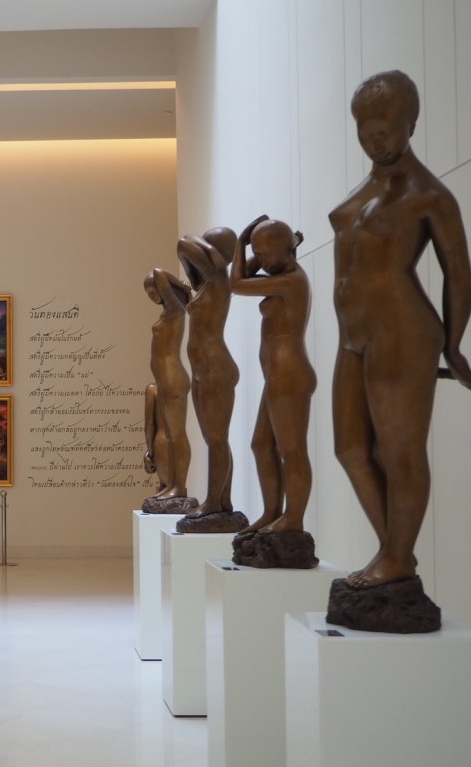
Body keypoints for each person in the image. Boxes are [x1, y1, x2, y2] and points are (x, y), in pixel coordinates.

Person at [330, 70, 471, 589]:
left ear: (411, 123)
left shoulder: (429, 194)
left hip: (402, 330)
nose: (376, 142)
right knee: (350, 449)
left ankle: (395, 556)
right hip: (353, 333)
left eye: (385, 131)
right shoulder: (366, 187)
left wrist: (454, 344)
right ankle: (395, 554)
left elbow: (459, 271)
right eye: (366, 132)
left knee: (399, 451)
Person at [230, 215, 316, 535]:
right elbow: (242, 278)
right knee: (261, 445)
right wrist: (254, 248)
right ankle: (271, 512)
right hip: (277, 376)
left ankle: (294, 518)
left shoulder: (292, 280)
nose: (261, 261)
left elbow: (236, 284)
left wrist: (241, 242)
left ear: (286, 249)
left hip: (290, 374)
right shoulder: (280, 273)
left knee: (292, 451)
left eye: (266, 254)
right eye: (258, 254)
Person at [177, 228, 240, 517]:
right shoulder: (207, 284)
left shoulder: (218, 279)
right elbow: (185, 250)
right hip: (204, 369)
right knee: (214, 439)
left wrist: (211, 252)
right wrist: (210, 251)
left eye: (208, 243)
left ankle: (213, 501)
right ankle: (223, 500)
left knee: (216, 439)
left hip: (215, 367)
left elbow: (183, 243)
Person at [143, 268, 192, 500]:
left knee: (176, 434)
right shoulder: (167, 314)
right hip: (164, 380)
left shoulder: (175, 311)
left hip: (172, 377)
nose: (153, 296)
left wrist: (182, 286)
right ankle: (171, 482)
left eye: (154, 290)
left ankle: (179, 486)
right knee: (167, 433)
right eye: (149, 294)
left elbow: (159, 272)